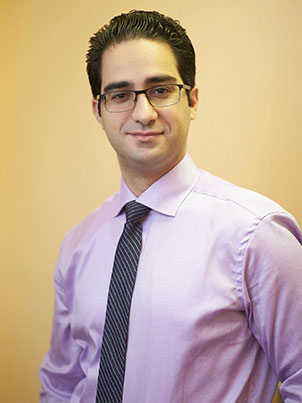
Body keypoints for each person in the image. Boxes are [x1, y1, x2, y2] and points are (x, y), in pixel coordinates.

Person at [39, 10, 302, 403]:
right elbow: (60, 386)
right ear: (99, 111)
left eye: (160, 90)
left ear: (191, 100)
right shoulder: (77, 245)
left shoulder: (257, 235)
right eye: (120, 94)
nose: (143, 114)